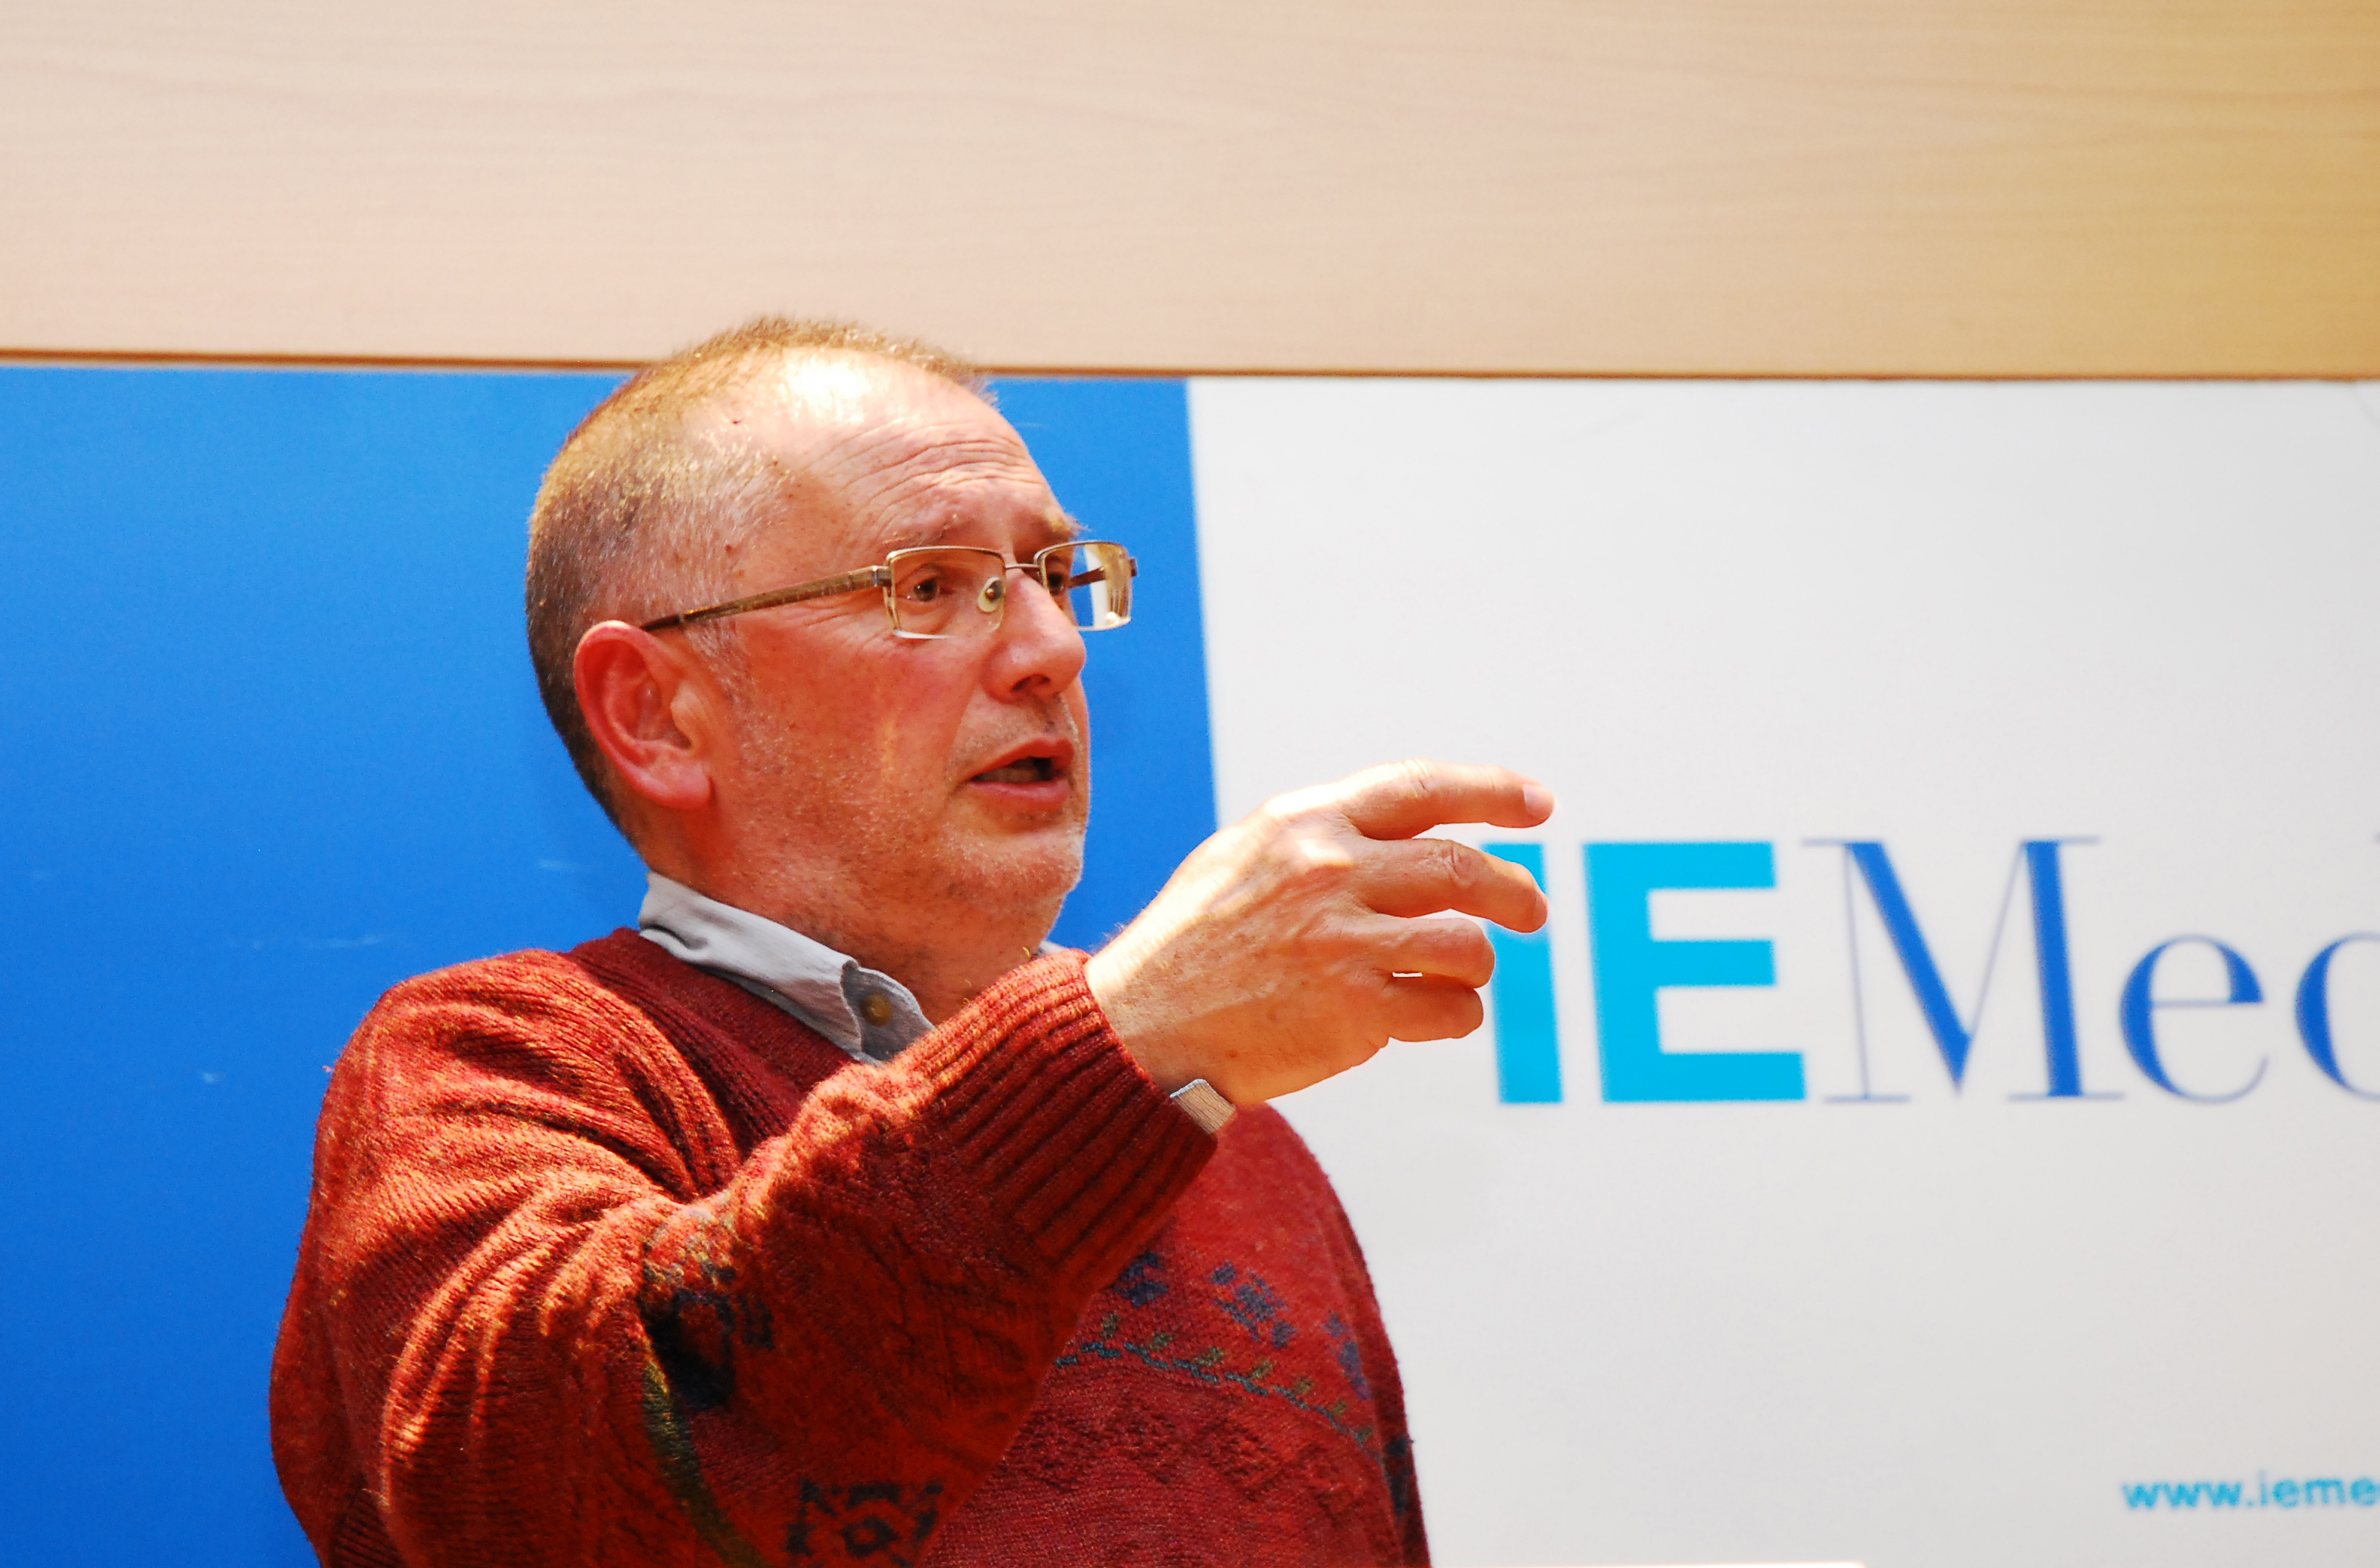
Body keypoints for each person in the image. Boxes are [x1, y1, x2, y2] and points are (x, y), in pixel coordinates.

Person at [269, 317, 1551, 1567]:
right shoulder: (496, 1062)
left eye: (1053, 576)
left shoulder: (1243, 1148)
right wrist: (1117, 1044)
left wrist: (1128, 1056)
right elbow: (552, 1504)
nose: (1051, 649)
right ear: (657, 714)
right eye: (928, 585)